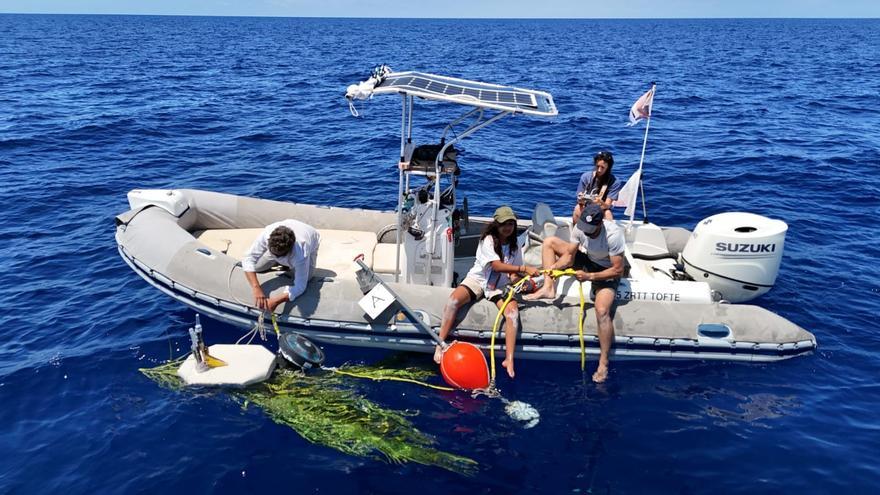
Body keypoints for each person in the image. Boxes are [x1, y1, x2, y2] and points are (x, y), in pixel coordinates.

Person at [434, 206, 539, 378]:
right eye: (504, 224)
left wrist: (524, 281)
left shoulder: (515, 247)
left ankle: (509, 359)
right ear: (496, 225)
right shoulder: (488, 240)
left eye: (511, 224)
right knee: (453, 301)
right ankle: (440, 343)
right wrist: (524, 268)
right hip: (478, 280)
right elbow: (496, 266)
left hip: (498, 285)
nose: (508, 227)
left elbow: (512, 273)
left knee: (512, 314)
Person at [524, 203, 624, 383]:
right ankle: (548, 288)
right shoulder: (581, 228)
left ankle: (603, 362)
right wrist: (553, 269)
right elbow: (570, 256)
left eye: (590, 229)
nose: (585, 232)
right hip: (588, 259)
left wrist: (590, 276)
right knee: (549, 243)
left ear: (600, 224)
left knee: (602, 311)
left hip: (606, 270)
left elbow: (618, 270)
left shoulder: (614, 235)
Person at [241, 219, 321, 312]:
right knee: (258, 267)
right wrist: (256, 288)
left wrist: (276, 301)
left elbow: (300, 286)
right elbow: (249, 258)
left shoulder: (301, 253)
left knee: (308, 278)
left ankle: (288, 265)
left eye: (280, 256)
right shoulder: (267, 233)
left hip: (312, 241)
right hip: (277, 250)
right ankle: (278, 260)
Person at [574, 150, 621, 223]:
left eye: (603, 167)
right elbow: (579, 199)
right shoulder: (585, 177)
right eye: (597, 166)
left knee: (608, 214)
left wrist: (601, 203)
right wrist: (581, 199)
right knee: (577, 208)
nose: (599, 170)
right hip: (586, 207)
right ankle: (577, 232)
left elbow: (607, 205)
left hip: (602, 208)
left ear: (608, 168)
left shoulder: (614, 182)